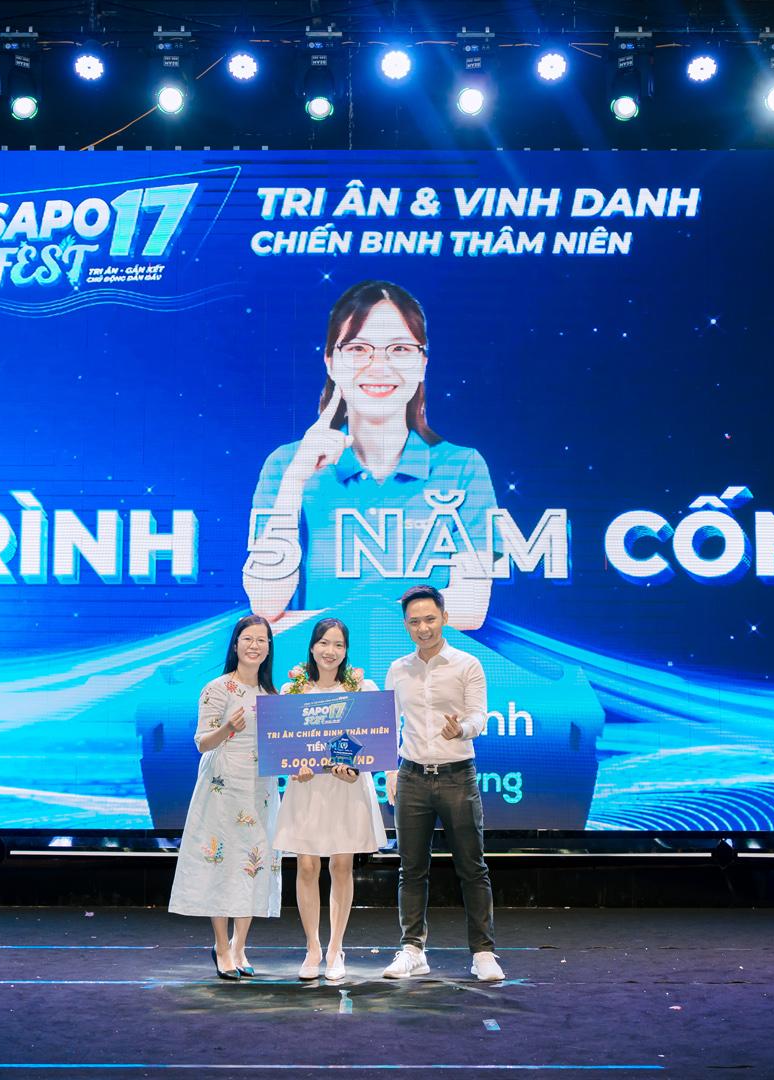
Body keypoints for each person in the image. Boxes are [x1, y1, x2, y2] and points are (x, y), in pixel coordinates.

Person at [244, 280, 497, 630]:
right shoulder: (285, 465)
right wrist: (295, 481)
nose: (379, 365)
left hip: (425, 665)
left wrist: (334, 622)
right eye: (359, 348)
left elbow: (470, 606)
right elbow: (266, 606)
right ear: (330, 362)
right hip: (320, 666)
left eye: (399, 349)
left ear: (422, 362)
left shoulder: (463, 468)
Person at [381, 584, 503, 982]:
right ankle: (412, 950)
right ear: (405, 625)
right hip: (412, 777)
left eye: (430, 619)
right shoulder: (398, 669)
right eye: (415, 621)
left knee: (472, 868)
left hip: (457, 776)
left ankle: (483, 953)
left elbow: (479, 716)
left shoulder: (468, 664)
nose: (423, 628)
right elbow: (386, 726)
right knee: (411, 869)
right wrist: (391, 772)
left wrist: (461, 729)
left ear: (445, 618)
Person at [272, 618, 389, 981]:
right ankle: (313, 947)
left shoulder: (362, 688)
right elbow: (285, 744)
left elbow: (373, 737)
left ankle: (336, 949)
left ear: (346, 651)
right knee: (307, 867)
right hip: (308, 789)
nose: (330, 651)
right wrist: (295, 767)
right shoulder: (292, 690)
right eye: (324, 643)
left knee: (341, 867)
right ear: (312, 647)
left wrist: (354, 767)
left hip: (346, 788)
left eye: (338, 645)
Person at [167, 614, 282, 980]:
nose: (254, 646)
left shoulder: (273, 696)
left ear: (269, 648)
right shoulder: (217, 688)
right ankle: (220, 946)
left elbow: (281, 747)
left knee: (252, 863)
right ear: (236, 645)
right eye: (247, 639)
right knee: (221, 862)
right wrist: (228, 728)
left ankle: (240, 946)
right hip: (223, 785)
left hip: (260, 790)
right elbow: (202, 742)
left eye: (261, 640)